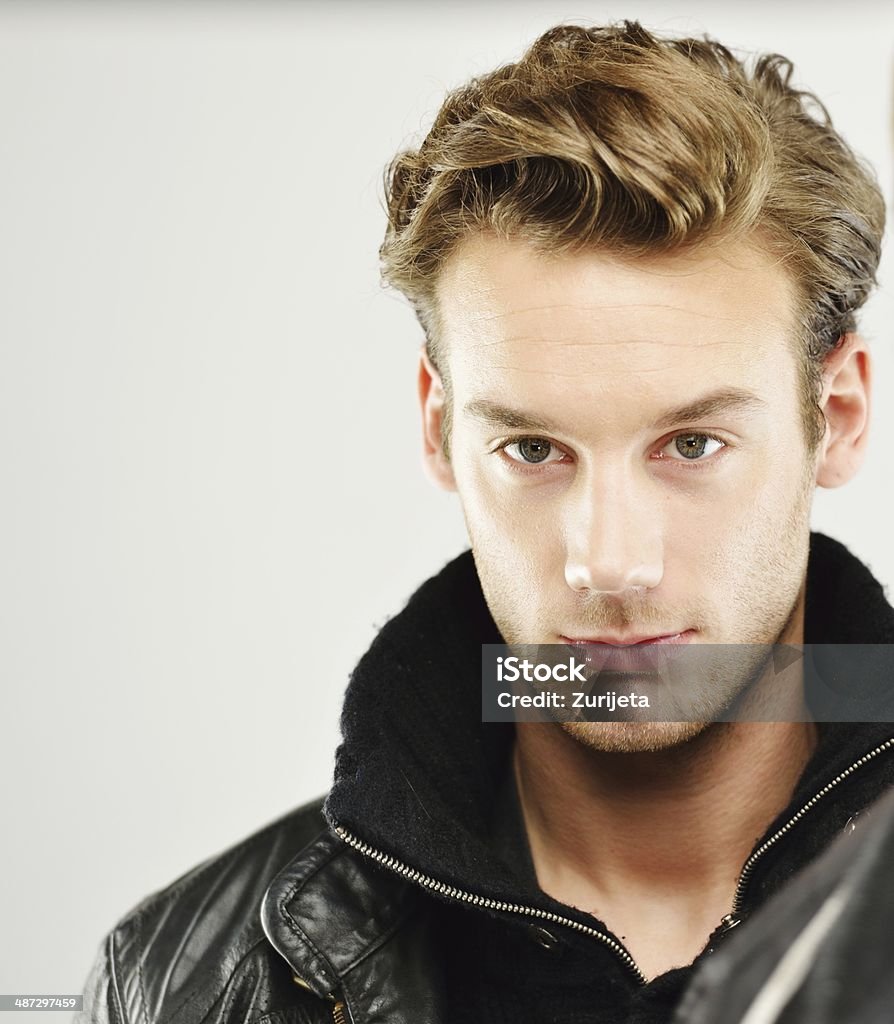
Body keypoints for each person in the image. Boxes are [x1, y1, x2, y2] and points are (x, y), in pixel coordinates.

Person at [78, 20, 892, 1024]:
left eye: (691, 446)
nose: (610, 562)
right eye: (534, 450)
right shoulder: (180, 983)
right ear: (438, 429)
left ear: (839, 417)